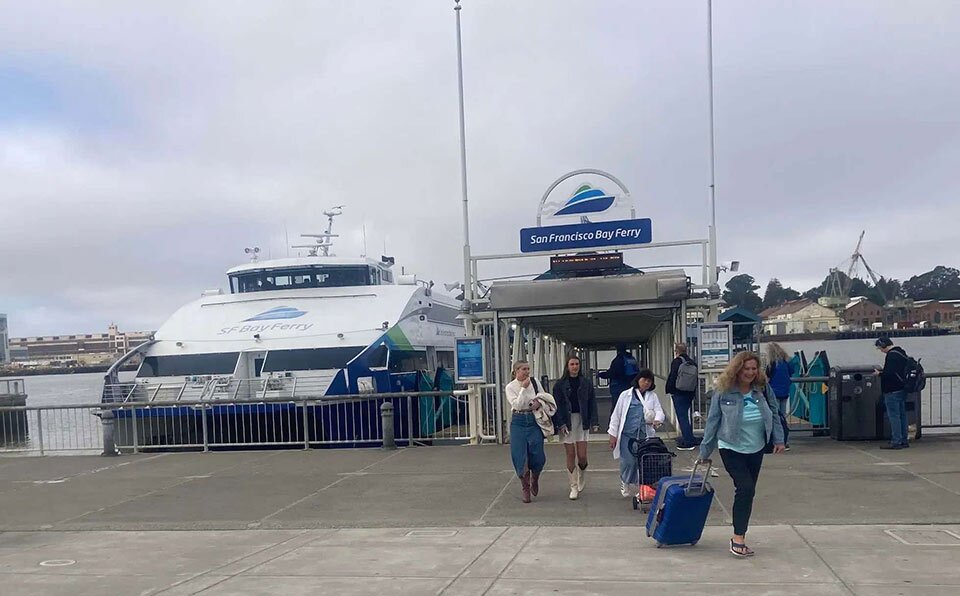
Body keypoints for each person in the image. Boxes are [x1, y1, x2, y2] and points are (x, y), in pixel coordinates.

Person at [698, 351, 785, 557]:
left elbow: (774, 412)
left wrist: (779, 439)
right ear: (737, 369)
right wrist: (705, 451)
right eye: (746, 368)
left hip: (756, 447)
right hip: (730, 446)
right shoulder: (723, 390)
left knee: (749, 492)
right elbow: (713, 421)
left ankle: (740, 534)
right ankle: (738, 538)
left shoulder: (762, 388)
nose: (750, 372)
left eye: (754, 369)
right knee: (745, 488)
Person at [607, 369, 665, 499]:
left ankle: (642, 488)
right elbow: (616, 415)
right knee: (628, 462)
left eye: (649, 381)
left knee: (643, 462)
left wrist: (657, 420)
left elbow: (659, 411)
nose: (646, 383)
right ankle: (625, 481)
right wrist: (613, 434)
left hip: (644, 435)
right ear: (638, 380)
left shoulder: (652, 396)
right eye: (644, 380)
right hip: (627, 435)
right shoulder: (625, 395)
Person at [552, 355, 599, 500]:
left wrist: (594, 421)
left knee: (582, 455)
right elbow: (556, 406)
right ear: (567, 366)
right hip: (567, 420)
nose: (575, 367)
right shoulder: (559, 385)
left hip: (582, 419)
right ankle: (573, 485)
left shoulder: (586, 383)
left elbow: (592, 402)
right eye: (572, 364)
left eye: (577, 364)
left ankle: (582, 473)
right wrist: (560, 423)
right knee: (570, 454)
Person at [505, 360, 547, 503]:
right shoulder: (510, 387)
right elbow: (517, 404)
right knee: (519, 454)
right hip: (519, 420)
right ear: (516, 371)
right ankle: (525, 486)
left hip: (533, 419)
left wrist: (539, 402)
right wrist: (523, 388)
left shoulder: (535, 382)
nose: (527, 372)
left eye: (528, 369)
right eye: (523, 369)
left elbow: (543, 396)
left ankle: (535, 477)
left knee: (537, 453)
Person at [873, 337, 911, 450]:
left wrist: (879, 374)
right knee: (902, 415)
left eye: (880, 348)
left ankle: (896, 441)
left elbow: (889, 373)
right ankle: (904, 440)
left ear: (884, 345)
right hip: (902, 388)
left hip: (892, 390)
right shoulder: (901, 352)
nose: (880, 350)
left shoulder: (891, 355)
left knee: (894, 416)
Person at [666, 342, 700, 450]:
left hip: (678, 393)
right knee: (686, 416)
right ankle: (689, 437)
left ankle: (688, 441)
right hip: (689, 393)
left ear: (676, 351)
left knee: (682, 417)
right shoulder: (692, 362)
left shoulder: (677, 361)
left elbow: (673, 376)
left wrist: (669, 389)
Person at [765, 343, 793, 451]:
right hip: (785, 391)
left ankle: (777, 440)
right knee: (783, 417)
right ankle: (786, 440)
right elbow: (792, 372)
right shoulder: (786, 362)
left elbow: (767, 377)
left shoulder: (772, 364)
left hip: (774, 392)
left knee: (775, 417)